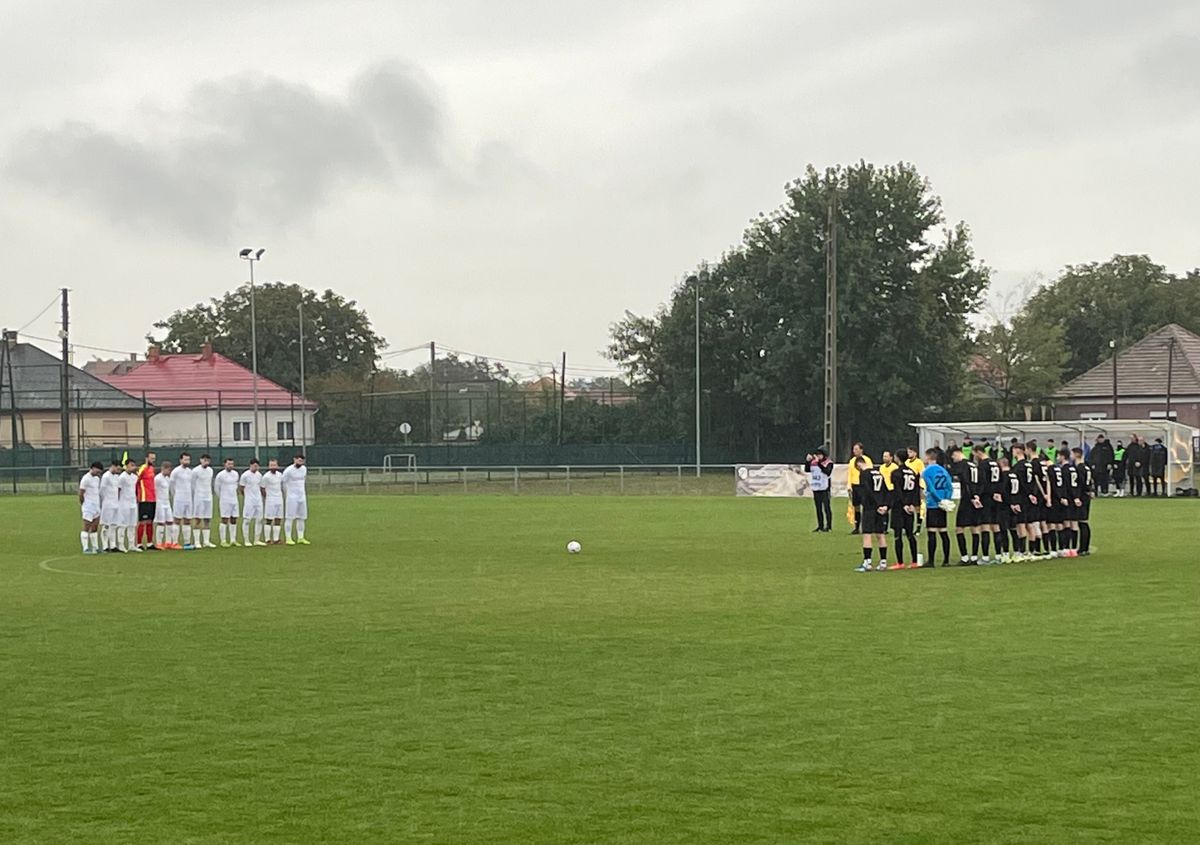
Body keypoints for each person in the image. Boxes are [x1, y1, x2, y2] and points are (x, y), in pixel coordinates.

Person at [853, 458, 889, 572]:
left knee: (867, 534)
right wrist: (884, 505)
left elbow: (868, 491)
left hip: (870, 507)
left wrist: (876, 504)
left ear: (859, 464)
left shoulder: (864, 474)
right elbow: (885, 490)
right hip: (881, 508)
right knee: (880, 534)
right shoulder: (878, 472)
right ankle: (883, 562)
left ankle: (867, 562)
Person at [922, 449, 954, 567]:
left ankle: (931, 561)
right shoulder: (943, 470)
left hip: (933, 504)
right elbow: (949, 487)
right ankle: (946, 561)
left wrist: (938, 500)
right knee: (943, 531)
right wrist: (946, 500)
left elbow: (930, 488)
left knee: (932, 532)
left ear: (929, 457)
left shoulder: (926, 471)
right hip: (943, 506)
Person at [948, 446, 980, 565]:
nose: (952, 458)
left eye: (953, 455)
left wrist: (971, 497)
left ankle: (965, 557)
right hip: (976, 497)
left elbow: (967, 482)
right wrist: (977, 496)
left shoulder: (963, 465)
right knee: (974, 528)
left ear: (958, 453)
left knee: (959, 528)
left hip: (967, 499)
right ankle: (975, 557)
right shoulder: (973, 464)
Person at [892, 458, 923, 569]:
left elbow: (897, 490)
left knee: (898, 535)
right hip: (910, 506)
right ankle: (914, 561)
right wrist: (913, 504)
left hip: (899, 507)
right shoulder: (912, 472)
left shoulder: (896, 473)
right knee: (910, 534)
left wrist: (903, 503)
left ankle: (900, 563)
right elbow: (916, 490)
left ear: (897, 458)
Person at [974, 445, 1002, 565]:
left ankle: (985, 557)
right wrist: (997, 492)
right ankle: (998, 555)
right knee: (995, 526)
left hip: (986, 497)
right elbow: (1000, 480)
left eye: (974, 454)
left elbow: (982, 481)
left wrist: (978, 495)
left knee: (985, 527)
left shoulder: (983, 464)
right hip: (995, 497)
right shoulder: (995, 463)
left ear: (978, 452)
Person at [282, 453, 310, 545]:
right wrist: (286, 494)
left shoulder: (304, 469)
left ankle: (300, 537)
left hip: (301, 496)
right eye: (298, 460)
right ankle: (288, 537)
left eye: (302, 461)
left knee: (301, 517)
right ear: (294, 460)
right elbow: (283, 482)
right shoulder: (288, 470)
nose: (300, 462)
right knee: (290, 517)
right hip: (291, 497)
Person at [1072, 448, 1095, 555]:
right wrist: (1091, 490)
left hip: (1082, 496)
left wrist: (1078, 496)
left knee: (1082, 523)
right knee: (1084, 522)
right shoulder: (1087, 467)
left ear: (1076, 455)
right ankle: (1085, 547)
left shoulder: (1080, 468)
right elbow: (1090, 480)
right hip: (1086, 495)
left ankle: (1083, 548)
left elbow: (1081, 483)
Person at [239, 458, 268, 546]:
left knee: (259, 519)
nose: (256, 467)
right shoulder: (245, 475)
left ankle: (257, 540)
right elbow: (241, 488)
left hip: (258, 500)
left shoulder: (259, 475)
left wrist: (263, 496)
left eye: (257, 466)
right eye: (254, 466)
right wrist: (246, 496)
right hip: (249, 501)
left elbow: (262, 487)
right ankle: (246, 540)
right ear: (250, 465)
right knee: (247, 520)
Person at [804, 449, 833, 532]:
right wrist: (807, 461)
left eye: (820, 454)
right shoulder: (813, 462)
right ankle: (820, 526)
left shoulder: (828, 463)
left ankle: (829, 526)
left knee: (827, 507)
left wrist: (819, 463)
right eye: (817, 454)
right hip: (816, 487)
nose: (818, 456)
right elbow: (807, 469)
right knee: (818, 508)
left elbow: (827, 472)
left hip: (825, 488)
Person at [846, 442, 872, 534]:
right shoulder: (852, 461)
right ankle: (857, 527)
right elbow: (850, 474)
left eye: (856, 449)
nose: (854, 451)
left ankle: (867, 526)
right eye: (854, 449)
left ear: (861, 450)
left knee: (866, 506)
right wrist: (849, 486)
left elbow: (870, 473)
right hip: (855, 485)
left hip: (864, 486)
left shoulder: (867, 460)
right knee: (856, 507)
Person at [214, 457, 241, 547]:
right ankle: (223, 540)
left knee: (234, 519)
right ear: (224, 464)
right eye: (229, 464)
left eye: (232, 464)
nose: (230, 466)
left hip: (234, 499)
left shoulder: (235, 474)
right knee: (224, 519)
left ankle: (233, 539)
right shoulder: (220, 475)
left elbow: (236, 486)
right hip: (225, 500)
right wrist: (222, 497)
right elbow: (216, 488)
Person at [153, 460, 179, 549]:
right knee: (161, 523)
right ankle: (159, 543)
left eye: (170, 470)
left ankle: (168, 542)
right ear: (163, 469)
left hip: (166, 502)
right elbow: (154, 491)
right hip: (159, 502)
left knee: (170, 521)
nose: (169, 472)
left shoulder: (168, 479)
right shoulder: (157, 479)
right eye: (167, 470)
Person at [171, 452, 195, 549]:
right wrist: (175, 495)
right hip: (179, 498)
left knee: (187, 520)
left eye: (188, 459)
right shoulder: (176, 471)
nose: (187, 461)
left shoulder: (190, 471)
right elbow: (172, 486)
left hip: (188, 499)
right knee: (177, 519)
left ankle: (187, 542)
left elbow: (192, 485)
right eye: (185, 459)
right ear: (180, 460)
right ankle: (174, 542)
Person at [78, 461, 103, 554]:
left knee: (95, 527)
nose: (98, 473)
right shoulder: (86, 479)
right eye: (97, 471)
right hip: (88, 506)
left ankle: (95, 547)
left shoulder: (97, 479)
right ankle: (85, 548)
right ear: (92, 468)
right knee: (86, 526)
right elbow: (81, 493)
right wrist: (84, 504)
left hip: (96, 505)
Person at [135, 451, 158, 550]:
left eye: (154, 458)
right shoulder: (143, 468)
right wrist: (137, 495)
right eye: (151, 458)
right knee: (142, 521)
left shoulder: (152, 469)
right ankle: (139, 543)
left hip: (152, 498)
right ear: (146, 458)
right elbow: (136, 481)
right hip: (144, 498)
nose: (153, 460)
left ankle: (149, 543)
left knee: (150, 521)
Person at [192, 454, 216, 548]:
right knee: (198, 518)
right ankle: (197, 541)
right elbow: (192, 484)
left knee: (207, 519)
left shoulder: (210, 470)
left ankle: (206, 541)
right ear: (201, 460)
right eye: (204, 460)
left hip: (208, 497)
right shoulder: (195, 471)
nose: (206, 462)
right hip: (199, 497)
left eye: (208, 461)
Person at [99, 459, 122, 552]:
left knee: (114, 525)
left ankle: (113, 545)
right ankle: (105, 545)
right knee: (106, 525)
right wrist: (104, 501)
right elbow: (102, 491)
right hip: (108, 504)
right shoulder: (106, 477)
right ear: (113, 466)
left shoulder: (117, 477)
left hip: (116, 503)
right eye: (117, 468)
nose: (118, 471)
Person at [119, 458, 141, 553]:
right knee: (123, 524)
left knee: (132, 524)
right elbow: (118, 490)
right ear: (126, 466)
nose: (133, 467)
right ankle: (121, 544)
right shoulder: (122, 477)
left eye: (134, 465)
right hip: (124, 503)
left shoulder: (135, 477)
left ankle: (132, 544)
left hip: (133, 503)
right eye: (131, 465)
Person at [262, 458, 286, 544]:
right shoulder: (266, 477)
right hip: (270, 500)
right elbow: (262, 488)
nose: (273, 467)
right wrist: (267, 497)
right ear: (269, 466)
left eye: (274, 465)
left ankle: (276, 539)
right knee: (269, 519)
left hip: (279, 499)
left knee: (278, 519)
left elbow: (282, 486)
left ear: (277, 465)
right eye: (271, 465)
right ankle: (267, 539)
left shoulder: (280, 475)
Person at [904, 447, 926, 532]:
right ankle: (908, 527)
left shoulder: (919, 462)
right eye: (908, 452)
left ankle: (918, 527)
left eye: (910, 452)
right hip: (908, 487)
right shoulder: (906, 462)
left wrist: (922, 487)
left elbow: (922, 474)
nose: (909, 454)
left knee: (918, 507)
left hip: (917, 486)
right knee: (908, 506)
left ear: (915, 453)